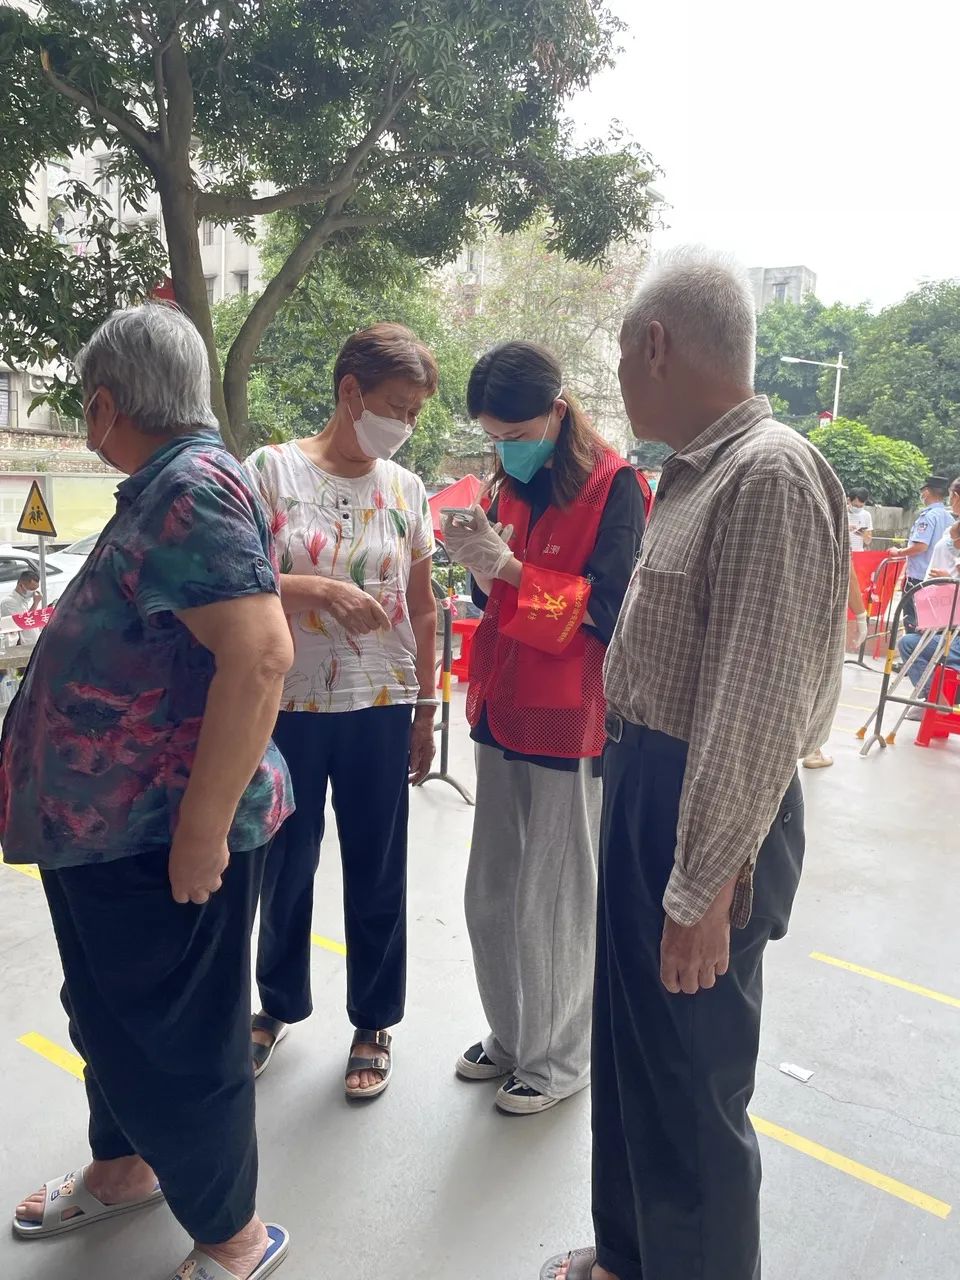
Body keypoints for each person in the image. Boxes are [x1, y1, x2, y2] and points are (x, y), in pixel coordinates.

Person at [541, 249, 846, 1280]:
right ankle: (630, 1256)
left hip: (705, 806)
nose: (622, 379)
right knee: (633, 1056)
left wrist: (704, 884)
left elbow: (755, 707)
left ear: (657, 345)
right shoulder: (697, 473)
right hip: (649, 784)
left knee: (690, 1082)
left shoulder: (769, 474)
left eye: (624, 356)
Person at [4, 304, 294, 1280]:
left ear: (105, 404)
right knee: (110, 1017)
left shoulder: (190, 487)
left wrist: (201, 833)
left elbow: (259, 656)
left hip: (157, 834)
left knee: (181, 1040)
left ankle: (234, 1235)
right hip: (107, 834)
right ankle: (124, 1166)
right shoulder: (171, 484)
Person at [442, 341, 647, 1116]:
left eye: (517, 432)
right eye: (493, 436)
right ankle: (512, 1035)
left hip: (568, 716)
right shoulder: (512, 482)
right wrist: (478, 560)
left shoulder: (615, 486)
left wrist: (511, 571)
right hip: (501, 703)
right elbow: (493, 592)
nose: (505, 447)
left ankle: (559, 1059)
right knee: (489, 892)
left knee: (553, 898)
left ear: (559, 411)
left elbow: (611, 611)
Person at [246, 323, 439, 1098]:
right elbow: (236, 582)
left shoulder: (407, 489)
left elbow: (422, 609)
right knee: (282, 865)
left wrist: (425, 708)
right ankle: (276, 1004)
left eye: (416, 412)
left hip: (380, 704)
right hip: (285, 703)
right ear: (350, 392)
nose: (406, 425)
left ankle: (374, 1019)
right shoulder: (270, 472)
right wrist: (318, 589)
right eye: (397, 406)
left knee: (377, 865)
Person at [801, 559, 869, 769]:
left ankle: (811, 748)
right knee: (814, 684)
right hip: (812, 616)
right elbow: (846, 569)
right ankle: (811, 749)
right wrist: (861, 615)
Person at [899, 476, 952, 632]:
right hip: (938, 577)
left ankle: (912, 647)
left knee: (913, 622)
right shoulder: (949, 517)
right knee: (932, 624)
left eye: (923, 491)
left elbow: (921, 546)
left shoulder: (928, 516)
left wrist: (899, 552)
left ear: (927, 492)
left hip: (919, 577)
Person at [1, 568, 42, 647]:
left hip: (32, 643)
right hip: (21, 645)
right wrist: (35, 603)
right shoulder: (8, 602)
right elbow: (23, 622)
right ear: (20, 585)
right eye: (32, 589)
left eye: (36, 589)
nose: (34, 592)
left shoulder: (24, 600)